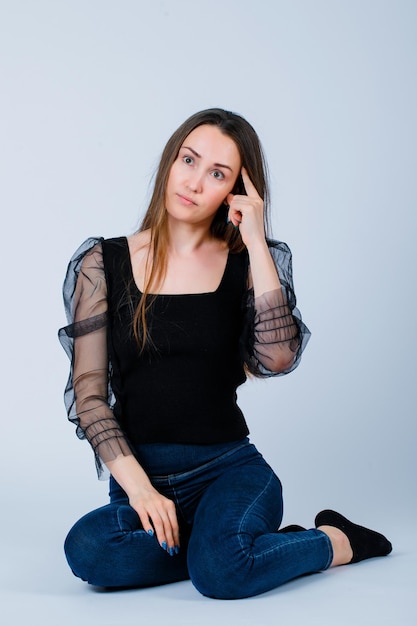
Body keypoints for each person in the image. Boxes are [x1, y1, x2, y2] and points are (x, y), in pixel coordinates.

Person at [58, 108, 392, 599]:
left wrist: (255, 240)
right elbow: (88, 400)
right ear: (170, 161)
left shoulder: (244, 265)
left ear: (236, 191)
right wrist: (141, 490)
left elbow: (277, 358)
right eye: (188, 160)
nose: (194, 182)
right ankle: (226, 547)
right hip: (142, 481)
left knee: (219, 576)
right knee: (88, 550)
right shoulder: (102, 263)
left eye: (217, 173)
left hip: (228, 471)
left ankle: (335, 541)